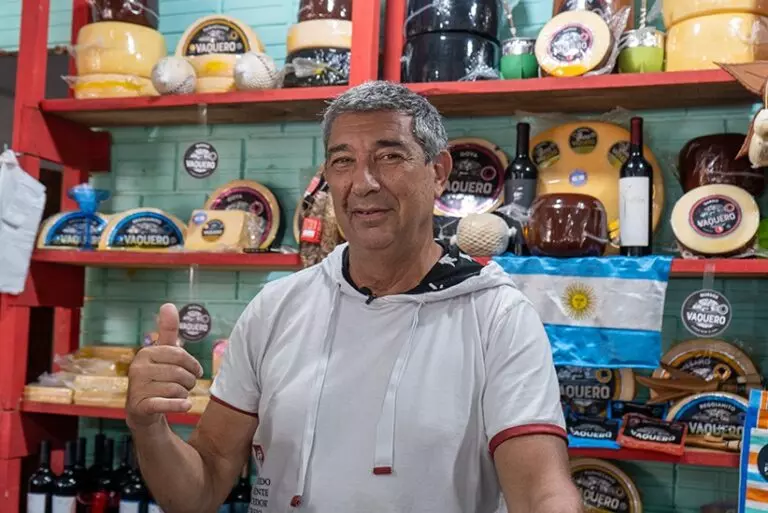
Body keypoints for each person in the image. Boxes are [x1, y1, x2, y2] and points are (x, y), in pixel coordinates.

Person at [126, 80, 582, 513]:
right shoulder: (277, 308)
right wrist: (148, 429)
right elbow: (200, 490)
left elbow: (540, 491)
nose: (363, 183)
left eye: (389, 156)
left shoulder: (496, 315)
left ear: (439, 172)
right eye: (343, 161)